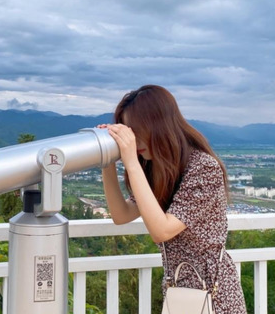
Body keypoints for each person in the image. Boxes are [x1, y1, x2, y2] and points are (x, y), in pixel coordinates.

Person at [99, 85, 246, 314]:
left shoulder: (203, 168)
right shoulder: (157, 168)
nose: (134, 141)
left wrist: (131, 161)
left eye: (137, 131)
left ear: (159, 125)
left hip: (214, 295)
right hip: (178, 292)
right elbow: (121, 215)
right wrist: (107, 162)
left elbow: (162, 230)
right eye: (129, 133)